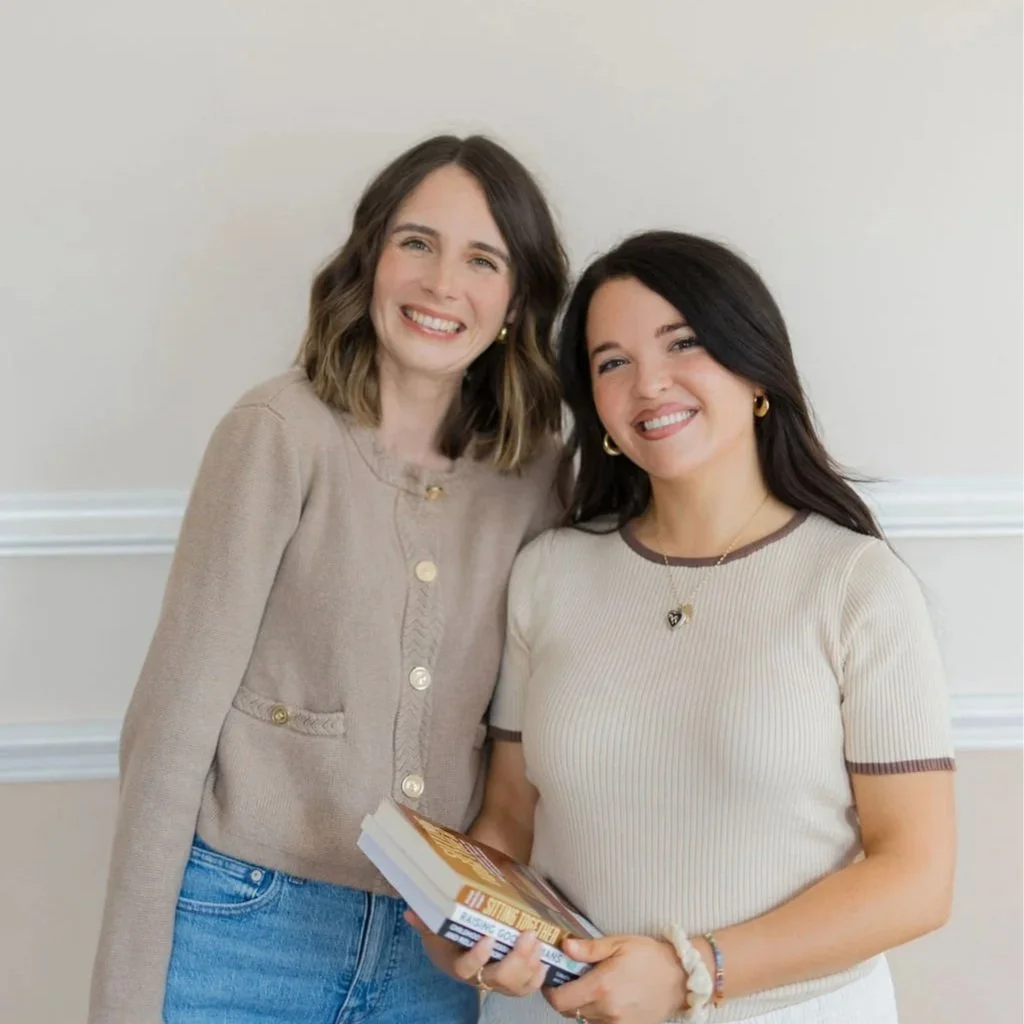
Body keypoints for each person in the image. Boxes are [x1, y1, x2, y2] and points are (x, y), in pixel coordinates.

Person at [411, 231, 956, 1023]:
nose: (648, 385)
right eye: (611, 362)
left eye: (684, 343)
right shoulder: (549, 572)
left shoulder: (856, 585)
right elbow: (509, 820)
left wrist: (694, 971)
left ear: (757, 369)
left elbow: (916, 876)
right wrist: (464, 925)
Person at [88, 134, 569, 1024]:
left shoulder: (534, 474)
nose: (440, 284)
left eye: (482, 259)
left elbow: (523, 729)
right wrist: (123, 998)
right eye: (416, 242)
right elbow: (170, 724)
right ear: (371, 259)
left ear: (515, 302)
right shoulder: (277, 432)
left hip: (429, 955)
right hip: (243, 924)